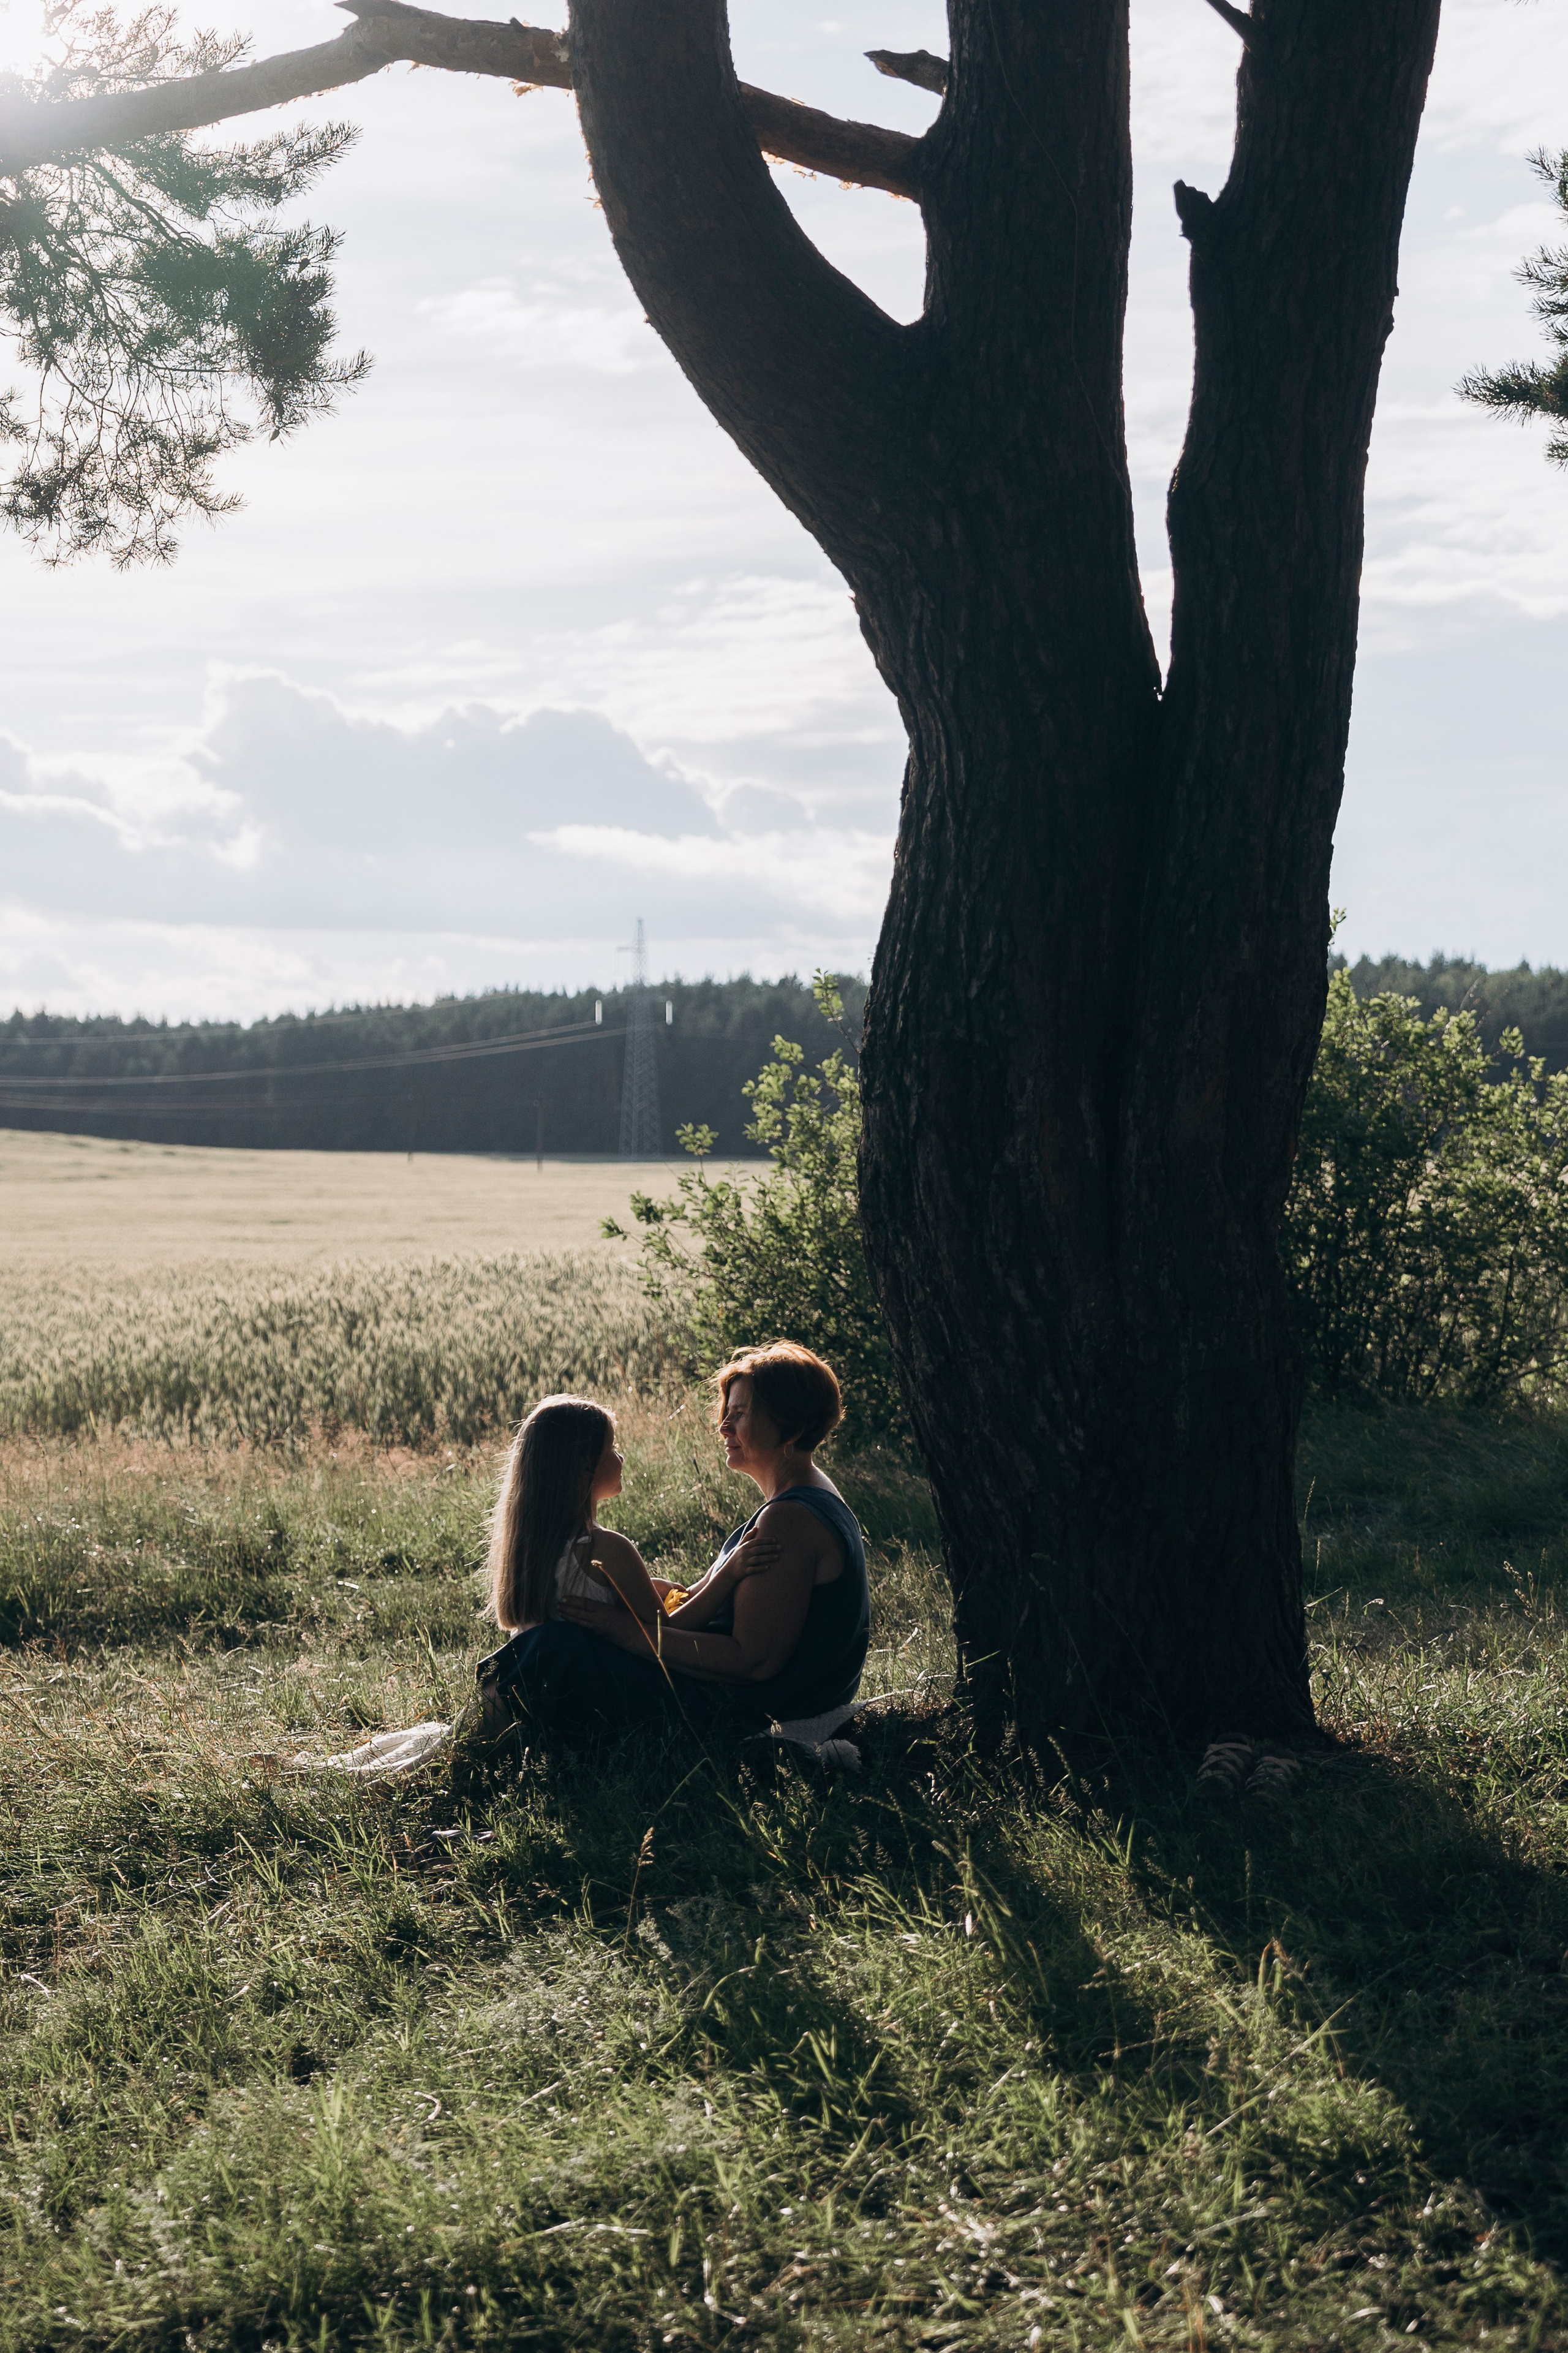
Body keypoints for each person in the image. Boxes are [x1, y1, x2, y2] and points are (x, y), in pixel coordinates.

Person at [542, 1343, 870, 1733]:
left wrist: (628, 1633)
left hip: (750, 1708)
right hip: (739, 1693)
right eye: (726, 1413)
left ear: (793, 1428)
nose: (724, 1427)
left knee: (553, 1651)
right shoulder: (809, 1494)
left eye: (741, 1414)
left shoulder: (790, 1519)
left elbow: (753, 1661)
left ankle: (471, 1747)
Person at [475, 1390, 783, 1731]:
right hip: (609, 1701)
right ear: (585, 1465)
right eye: (612, 1449)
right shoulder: (606, 1549)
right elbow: (669, 1633)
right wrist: (730, 1573)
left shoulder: (534, 1548)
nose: (620, 1459)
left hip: (552, 1700)